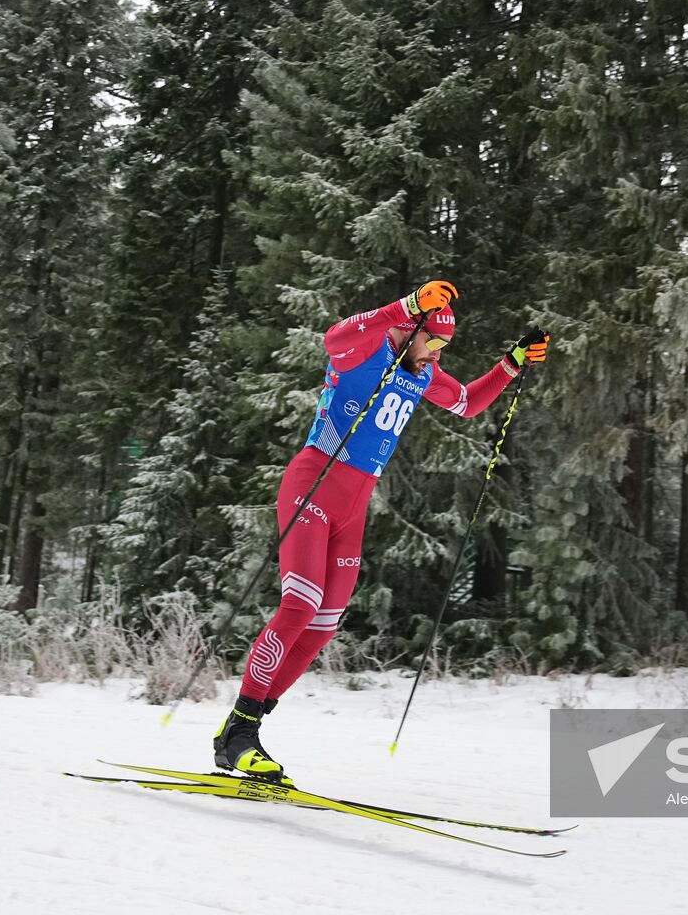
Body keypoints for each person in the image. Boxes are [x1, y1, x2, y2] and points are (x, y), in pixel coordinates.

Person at [213, 279, 549, 781]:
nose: (436, 353)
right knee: (298, 605)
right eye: (430, 340)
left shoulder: (422, 372)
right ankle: (239, 732)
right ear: (407, 329)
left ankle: (243, 731)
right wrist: (406, 304)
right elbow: (333, 337)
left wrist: (510, 364)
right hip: (313, 483)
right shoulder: (363, 354)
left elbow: (467, 403)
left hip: (353, 507)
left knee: (322, 626)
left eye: (443, 347)